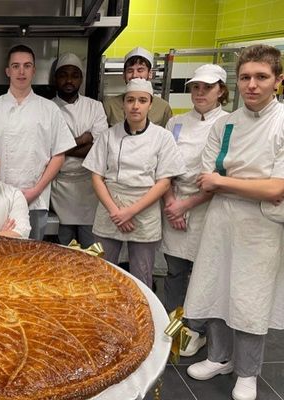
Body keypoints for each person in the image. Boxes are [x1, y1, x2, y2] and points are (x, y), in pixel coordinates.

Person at [184, 45, 284, 400]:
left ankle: (247, 373)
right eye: (245, 77)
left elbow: (277, 188)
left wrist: (227, 183)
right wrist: (254, 186)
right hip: (222, 220)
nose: (252, 85)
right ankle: (218, 357)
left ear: (278, 80)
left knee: (250, 299)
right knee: (215, 288)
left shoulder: (282, 123)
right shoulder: (225, 125)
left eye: (261, 77)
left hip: (261, 229)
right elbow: (205, 175)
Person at [83, 78, 185, 288]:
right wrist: (116, 211)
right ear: (123, 104)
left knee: (142, 275)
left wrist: (130, 212)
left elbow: (164, 182)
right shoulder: (109, 135)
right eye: (130, 100)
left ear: (150, 104)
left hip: (144, 209)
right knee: (102, 272)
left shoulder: (163, 137)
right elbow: (96, 176)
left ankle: (141, 317)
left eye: (142, 100)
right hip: (110, 207)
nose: (135, 106)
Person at [161, 64, 229, 357]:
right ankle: (173, 322)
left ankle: (197, 329)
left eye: (208, 87)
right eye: (196, 87)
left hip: (207, 206)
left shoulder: (229, 123)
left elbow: (221, 174)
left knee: (203, 272)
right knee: (175, 270)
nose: (200, 93)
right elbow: (163, 165)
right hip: (174, 201)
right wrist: (171, 202)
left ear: (221, 91)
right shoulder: (175, 122)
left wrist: (186, 205)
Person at [0, 44, 75, 240]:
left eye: (27, 66)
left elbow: (59, 155)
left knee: (31, 259)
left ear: (34, 71)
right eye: (16, 66)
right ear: (7, 71)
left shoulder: (49, 110)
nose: (21, 71)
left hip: (35, 201)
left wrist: (36, 191)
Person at [50, 52, 108, 247]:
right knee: (62, 248)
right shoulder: (46, 108)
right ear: (55, 78)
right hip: (58, 187)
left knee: (90, 249)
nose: (68, 80)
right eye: (63, 75)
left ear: (81, 79)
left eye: (74, 75)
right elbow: (46, 147)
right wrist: (84, 138)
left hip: (88, 187)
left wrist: (62, 146)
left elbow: (99, 149)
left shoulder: (95, 107)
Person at [103, 46, 172, 127]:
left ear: (150, 74)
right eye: (130, 71)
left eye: (140, 70)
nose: (135, 75)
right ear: (124, 75)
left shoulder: (163, 108)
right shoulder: (109, 106)